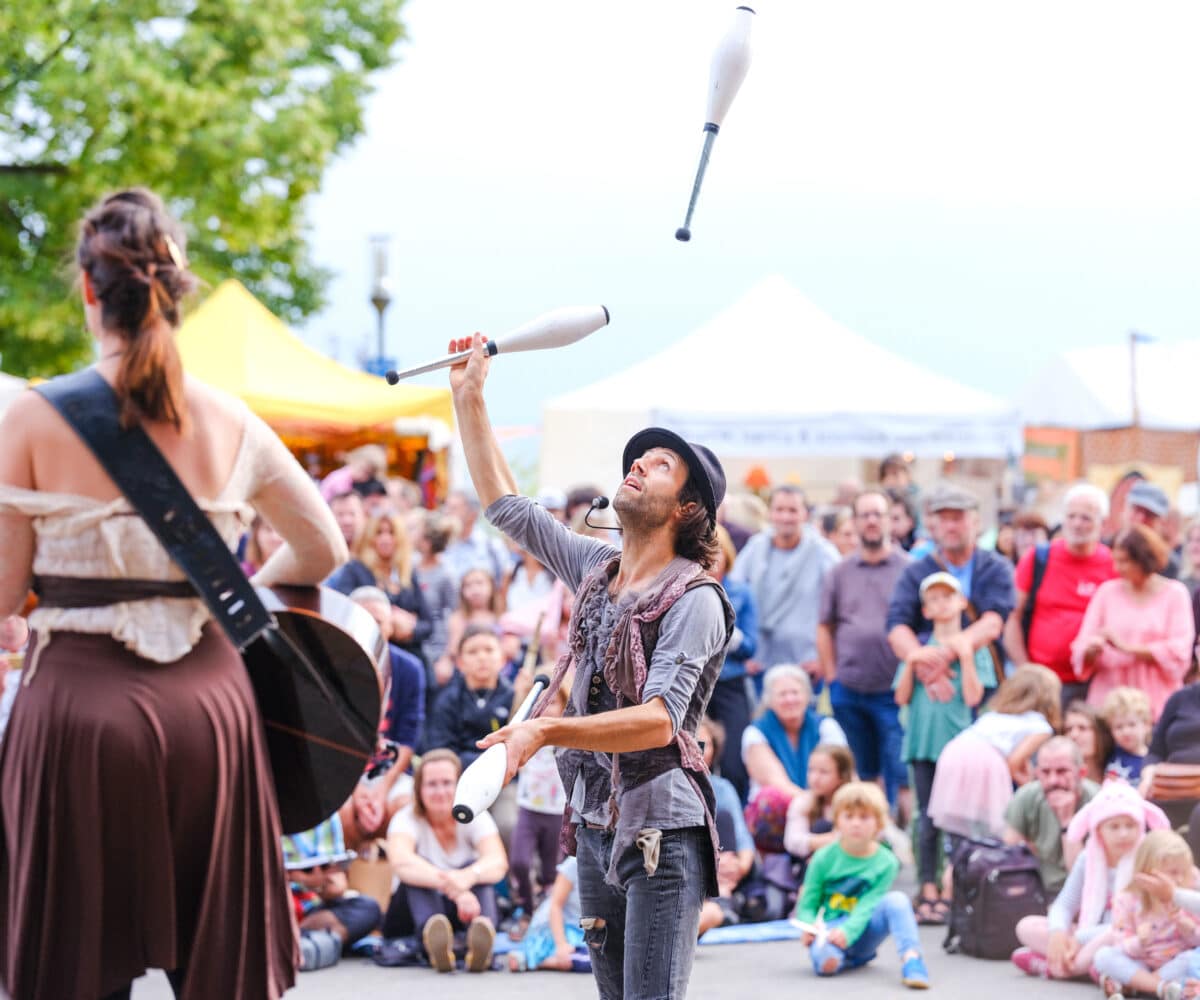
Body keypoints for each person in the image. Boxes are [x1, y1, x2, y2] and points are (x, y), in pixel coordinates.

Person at [0, 188, 348, 1000]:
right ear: (175, 292)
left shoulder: (29, 419)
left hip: (78, 716)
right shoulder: (232, 420)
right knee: (217, 974)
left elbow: (2, 595)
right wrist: (235, 596)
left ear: (90, 294)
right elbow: (323, 549)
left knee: (72, 968)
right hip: (211, 714)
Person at [448, 332, 734, 1000]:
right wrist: (470, 398)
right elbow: (507, 508)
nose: (637, 466)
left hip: (663, 831)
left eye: (660, 465)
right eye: (637, 458)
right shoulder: (594, 568)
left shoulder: (695, 599)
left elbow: (659, 721)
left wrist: (545, 730)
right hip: (597, 825)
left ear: (688, 507)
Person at [894, 571, 988, 924]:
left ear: (961, 602)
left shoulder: (972, 648)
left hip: (957, 748)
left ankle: (954, 888)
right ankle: (928, 887)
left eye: (947, 596)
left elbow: (975, 696)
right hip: (922, 745)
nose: (941, 604)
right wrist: (912, 663)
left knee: (958, 820)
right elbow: (901, 696)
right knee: (927, 819)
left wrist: (966, 656)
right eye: (933, 599)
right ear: (926, 610)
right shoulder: (919, 649)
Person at [1011, 781, 1170, 981]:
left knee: (1112, 938)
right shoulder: (1088, 858)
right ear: (1099, 829)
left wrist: (1078, 939)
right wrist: (1057, 934)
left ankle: (1061, 968)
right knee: (1026, 926)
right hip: (1087, 931)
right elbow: (1064, 904)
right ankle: (1080, 964)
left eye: (1130, 826)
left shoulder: (1147, 858)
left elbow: (1131, 925)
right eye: (1114, 827)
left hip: (1126, 936)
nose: (1123, 834)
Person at [818, 488, 911, 811]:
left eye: (878, 514)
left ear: (889, 520)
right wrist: (832, 677)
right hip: (849, 689)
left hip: (895, 691)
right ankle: (868, 830)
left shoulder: (909, 569)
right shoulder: (839, 572)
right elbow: (824, 627)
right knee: (861, 771)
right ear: (855, 522)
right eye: (864, 515)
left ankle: (902, 835)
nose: (871, 521)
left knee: (900, 772)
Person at [794, 782, 930, 989]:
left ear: (879, 823)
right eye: (849, 816)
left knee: (897, 901)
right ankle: (847, 959)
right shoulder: (822, 858)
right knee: (825, 963)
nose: (856, 824)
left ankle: (912, 959)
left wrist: (848, 931)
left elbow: (869, 903)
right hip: (830, 930)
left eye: (864, 817)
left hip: (865, 926)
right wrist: (809, 926)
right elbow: (808, 902)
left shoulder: (887, 862)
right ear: (837, 820)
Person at [886, 483, 1013, 704]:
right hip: (928, 689)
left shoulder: (995, 568)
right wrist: (921, 660)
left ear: (976, 522)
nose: (951, 526)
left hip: (982, 686)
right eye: (944, 519)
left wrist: (944, 656)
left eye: (958, 518)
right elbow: (897, 626)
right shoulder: (916, 571)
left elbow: (993, 622)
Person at [386, 748, 508, 973]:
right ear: (419, 789)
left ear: (459, 785)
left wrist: (469, 876)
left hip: (463, 910)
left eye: (447, 783)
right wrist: (456, 889)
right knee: (418, 868)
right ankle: (432, 941)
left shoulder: (474, 814)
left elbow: (498, 861)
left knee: (476, 869)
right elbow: (401, 862)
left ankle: (481, 935)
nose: (440, 791)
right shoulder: (405, 819)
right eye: (432, 784)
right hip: (412, 913)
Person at [1004, 483, 1116, 707]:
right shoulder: (1038, 558)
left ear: (1103, 524)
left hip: (1092, 683)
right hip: (1041, 680)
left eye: (1086, 518)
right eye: (1071, 516)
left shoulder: (1113, 565)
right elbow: (1012, 617)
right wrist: (1026, 669)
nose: (1077, 524)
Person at [928, 665, 1061, 843]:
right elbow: (1014, 762)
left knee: (964, 825)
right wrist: (1029, 784)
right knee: (993, 826)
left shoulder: (993, 716)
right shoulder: (1040, 726)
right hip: (985, 761)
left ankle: (960, 854)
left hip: (954, 752)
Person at [1073, 525, 1194, 720]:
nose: (1117, 568)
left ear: (1144, 559)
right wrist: (1092, 648)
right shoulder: (1107, 592)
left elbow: (1179, 651)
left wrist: (1125, 647)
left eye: (1124, 561)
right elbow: (1082, 643)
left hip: (1156, 702)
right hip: (1109, 700)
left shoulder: (1175, 594)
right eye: (1115, 561)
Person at [729, 485, 839, 692]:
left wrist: (823, 658)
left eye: (792, 510)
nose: (785, 517)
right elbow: (732, 597)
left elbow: (840, 607)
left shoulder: (824, 553)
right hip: (760, 664)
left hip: (805, 666)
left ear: (805, 514)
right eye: (779, 510)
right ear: (770, 513)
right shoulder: (755, 547)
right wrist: (741, 652)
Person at [742, 664, 847, 853]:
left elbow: (844, 771)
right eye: (782, 694)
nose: (790, 699)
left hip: (825, 801)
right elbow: (776, 782)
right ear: (769, 700)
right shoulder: (755, 732)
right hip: (785, 808)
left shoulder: (826, 726)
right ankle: (775, 860)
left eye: (795, 692)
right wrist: (811, 805)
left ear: (807, 696)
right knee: (771, 799)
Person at [1093, 830, 1200, 1000]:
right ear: (1148, 871)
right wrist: (1140, 941)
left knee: (1191, 959)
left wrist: (1191, 931)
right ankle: (1160, 988)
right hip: (1140, 963)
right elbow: (1121, 942)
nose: (1179, 879)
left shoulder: (1186, 897)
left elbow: (1196, 945)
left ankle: (1134, 985)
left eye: (1183, 872)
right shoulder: (1127, 899)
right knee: (1103, 955)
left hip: (1173, 965)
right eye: (1173, 872)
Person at [326, 513, 433, 662]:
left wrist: (410, 630)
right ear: (369, 537)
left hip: (409, 653)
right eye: (379, 532)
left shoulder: (407, 572)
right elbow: (345, 613)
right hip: (369, 654)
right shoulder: (355, 570)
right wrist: (391, 620)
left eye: (391, 533)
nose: (385, 539)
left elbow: (428, 625)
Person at [283, 814, 381, 973]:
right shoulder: (267, 813)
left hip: (312, 909)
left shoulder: (329, 816)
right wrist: (294, 878)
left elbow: (336, 884)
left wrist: (321, 883)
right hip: (277, 904)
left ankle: (298, 941)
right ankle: (315, 943)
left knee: (368, 907)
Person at [1004, 736, 1101, 894]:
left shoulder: (1098, 802)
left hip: (1085, 892)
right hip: (1037, 891)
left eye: (1062, 771)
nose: (1053, 781)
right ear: (1037, 773)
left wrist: (1067, 821)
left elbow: (1083, 877)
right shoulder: (1026, 797)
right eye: (1045, 772)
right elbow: (1011, 857)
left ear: (1082, 772)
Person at [706, 524, 758, 801]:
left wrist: (725, 628)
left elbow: (750, 647)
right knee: (697, 753)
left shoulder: (741, 593)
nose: (711, 562)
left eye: (717, 554)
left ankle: (735, 815)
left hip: (729, 682)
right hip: (695, 684)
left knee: (735, 761)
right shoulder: (684, 589)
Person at [423, 624, 514, 768]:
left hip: (506, 771)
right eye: (472, 652)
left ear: (503, 658)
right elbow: (441, 749)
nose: (482, 657)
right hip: (459, 773)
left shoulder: (514, 696)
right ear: (459, 662)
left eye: (489, 650)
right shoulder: (447, 700)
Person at [696, 717, 756, 935]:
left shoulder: (722, 788)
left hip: (722, 872)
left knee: (724, 818)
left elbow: (742, 838)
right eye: (695, 743)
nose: (701, 750)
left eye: (707, 744)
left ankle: (723, 899)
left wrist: (737, 867)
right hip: (691, 869)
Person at [1139, 682, 1200, 863]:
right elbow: (1155, 752)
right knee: (1141, 813)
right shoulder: (1179, 698)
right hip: (1170, 788)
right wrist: (1148, 777)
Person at [507, 856, 591, 973]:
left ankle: (532, 961)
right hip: (559, 928)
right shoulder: (574, 864)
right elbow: (555, 906)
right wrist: (561, 945)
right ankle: (534, 960)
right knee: (592, 962)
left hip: (586, 932)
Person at [782, 743, 855, 870]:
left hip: (851, 863)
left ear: (842, 775)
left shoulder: (856, 801)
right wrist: (837, 839)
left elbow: (877, 834)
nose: (815, 778)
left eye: (824, 772)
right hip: (814, 865)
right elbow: (792, 842)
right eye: (811, 770)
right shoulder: (804, 801)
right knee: (821, 827)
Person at [432, 566, 503, 688]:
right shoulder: (457, 618)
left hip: (499, 670)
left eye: (480, 583)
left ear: (491, 587)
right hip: (466, 672)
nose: (475, 590)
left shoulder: (501, 617)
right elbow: (453, 650)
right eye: (468, 585)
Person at [442, 489, 512, 586]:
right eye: (446, 507)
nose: (446, 512)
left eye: (453, 508)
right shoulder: (440, 546)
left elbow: (505, 581)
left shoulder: (491, 546)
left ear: (472, 515)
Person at [1123, 479, 1182, 580]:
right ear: (1125, 510)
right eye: (1136, 510)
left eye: (1149, 514)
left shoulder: (1167, 564)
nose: (1140, 519)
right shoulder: (1108, 551)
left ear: (1161, 522)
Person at [1102, 687, 1153, 785]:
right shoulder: (1109, 751)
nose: (1126, 732)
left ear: (1147, 725)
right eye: (1119, 727)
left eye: (1132, 724)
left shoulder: (1151, 761)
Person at [1065, 699, 1115, 785]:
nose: (1074, 735)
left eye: (1082, 728)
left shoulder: (1119, 771)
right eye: (1068, 729)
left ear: (1100, 733)